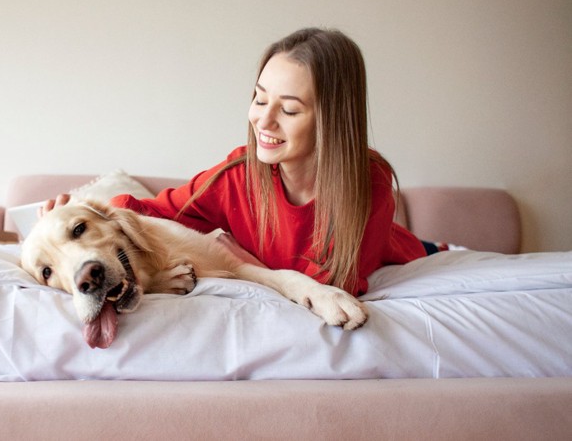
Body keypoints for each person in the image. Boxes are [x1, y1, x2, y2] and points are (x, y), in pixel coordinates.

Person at [42, 27, 432, 297]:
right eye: (260, 99)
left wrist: (244, 260)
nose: (263, 120)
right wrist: (78, 217)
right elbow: (149, 212)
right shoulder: (239, 175)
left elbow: (334, 287)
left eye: (290, 110)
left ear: (332, 121)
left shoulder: (370, 181)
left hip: (403, 251)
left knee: (436, 251)